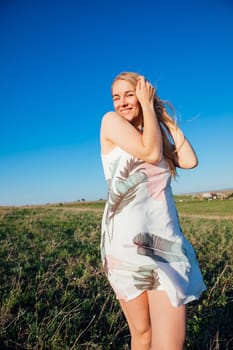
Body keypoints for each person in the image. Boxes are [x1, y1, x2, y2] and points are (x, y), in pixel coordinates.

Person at [100, 71, 206, 350]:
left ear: (144, 94)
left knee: (170, 344)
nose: (121, 102)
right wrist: (147, 107)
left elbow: (189, 160)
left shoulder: (153, 134)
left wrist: (161, 116)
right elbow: (149, 153)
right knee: (143, 334)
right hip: (126, 245)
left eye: (129, 94)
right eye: (116, 96)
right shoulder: (110, 122)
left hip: (164, 242)